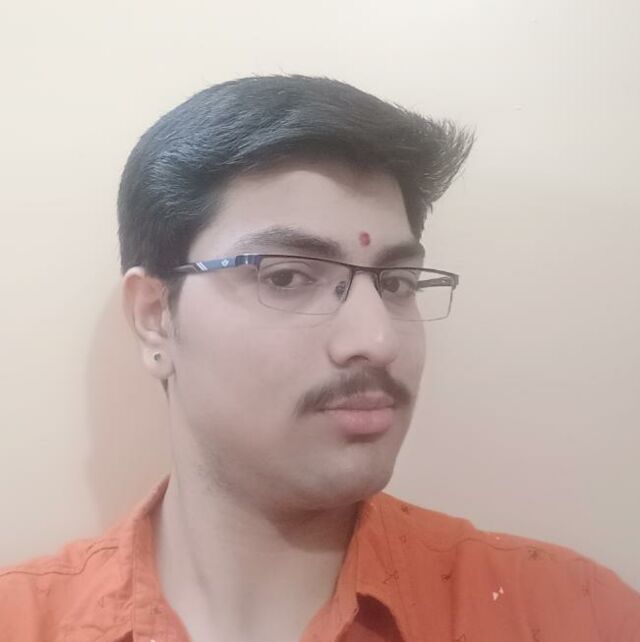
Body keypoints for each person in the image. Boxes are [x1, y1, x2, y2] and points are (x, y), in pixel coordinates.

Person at [1, 75, 638, 642]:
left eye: (396, 283)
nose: (377, 340)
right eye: (285, 277)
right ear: (155, 317)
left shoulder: (571, 615)